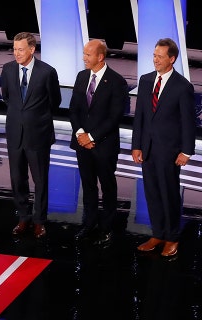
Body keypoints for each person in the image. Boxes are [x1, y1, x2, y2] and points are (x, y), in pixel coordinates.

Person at [132, 38, 196, 257]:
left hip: (169, 151)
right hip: (147, 149)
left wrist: (186, 151)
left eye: (160, 56)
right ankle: (157, 233)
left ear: (172, 59)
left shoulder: (182, 86)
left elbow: (188, 122)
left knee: (169, 194)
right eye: (154, 55)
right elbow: (139, 115)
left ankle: (171, 237)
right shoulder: (145, 79)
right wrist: (136, 145)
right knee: (152, 193)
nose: (155, 60)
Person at [1, 32, 61, 238]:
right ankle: (23, 217)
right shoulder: (8, 69)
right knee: (18, 179)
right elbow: (7, 97)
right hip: (15, 133)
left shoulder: (47, 72)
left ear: (32, 49)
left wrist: (35, 117)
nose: (16, 53)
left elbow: (55, 101)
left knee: (40, 180)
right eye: (14, 49)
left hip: (39, 135)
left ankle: (39, 220)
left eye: (20, 49)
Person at [69, 39, 128, 246]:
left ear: (100, 57)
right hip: (81, 142)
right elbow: (74, 109)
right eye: (84, 54)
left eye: (88, 54)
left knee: (107, 186)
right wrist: (80, 134)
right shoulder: (81, 76)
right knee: (88, 185)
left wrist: (91, 137)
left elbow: (114, 117)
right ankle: (89, 223)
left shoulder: (117, 81)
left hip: (104, 145)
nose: (84, 58)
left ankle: (107, 227)